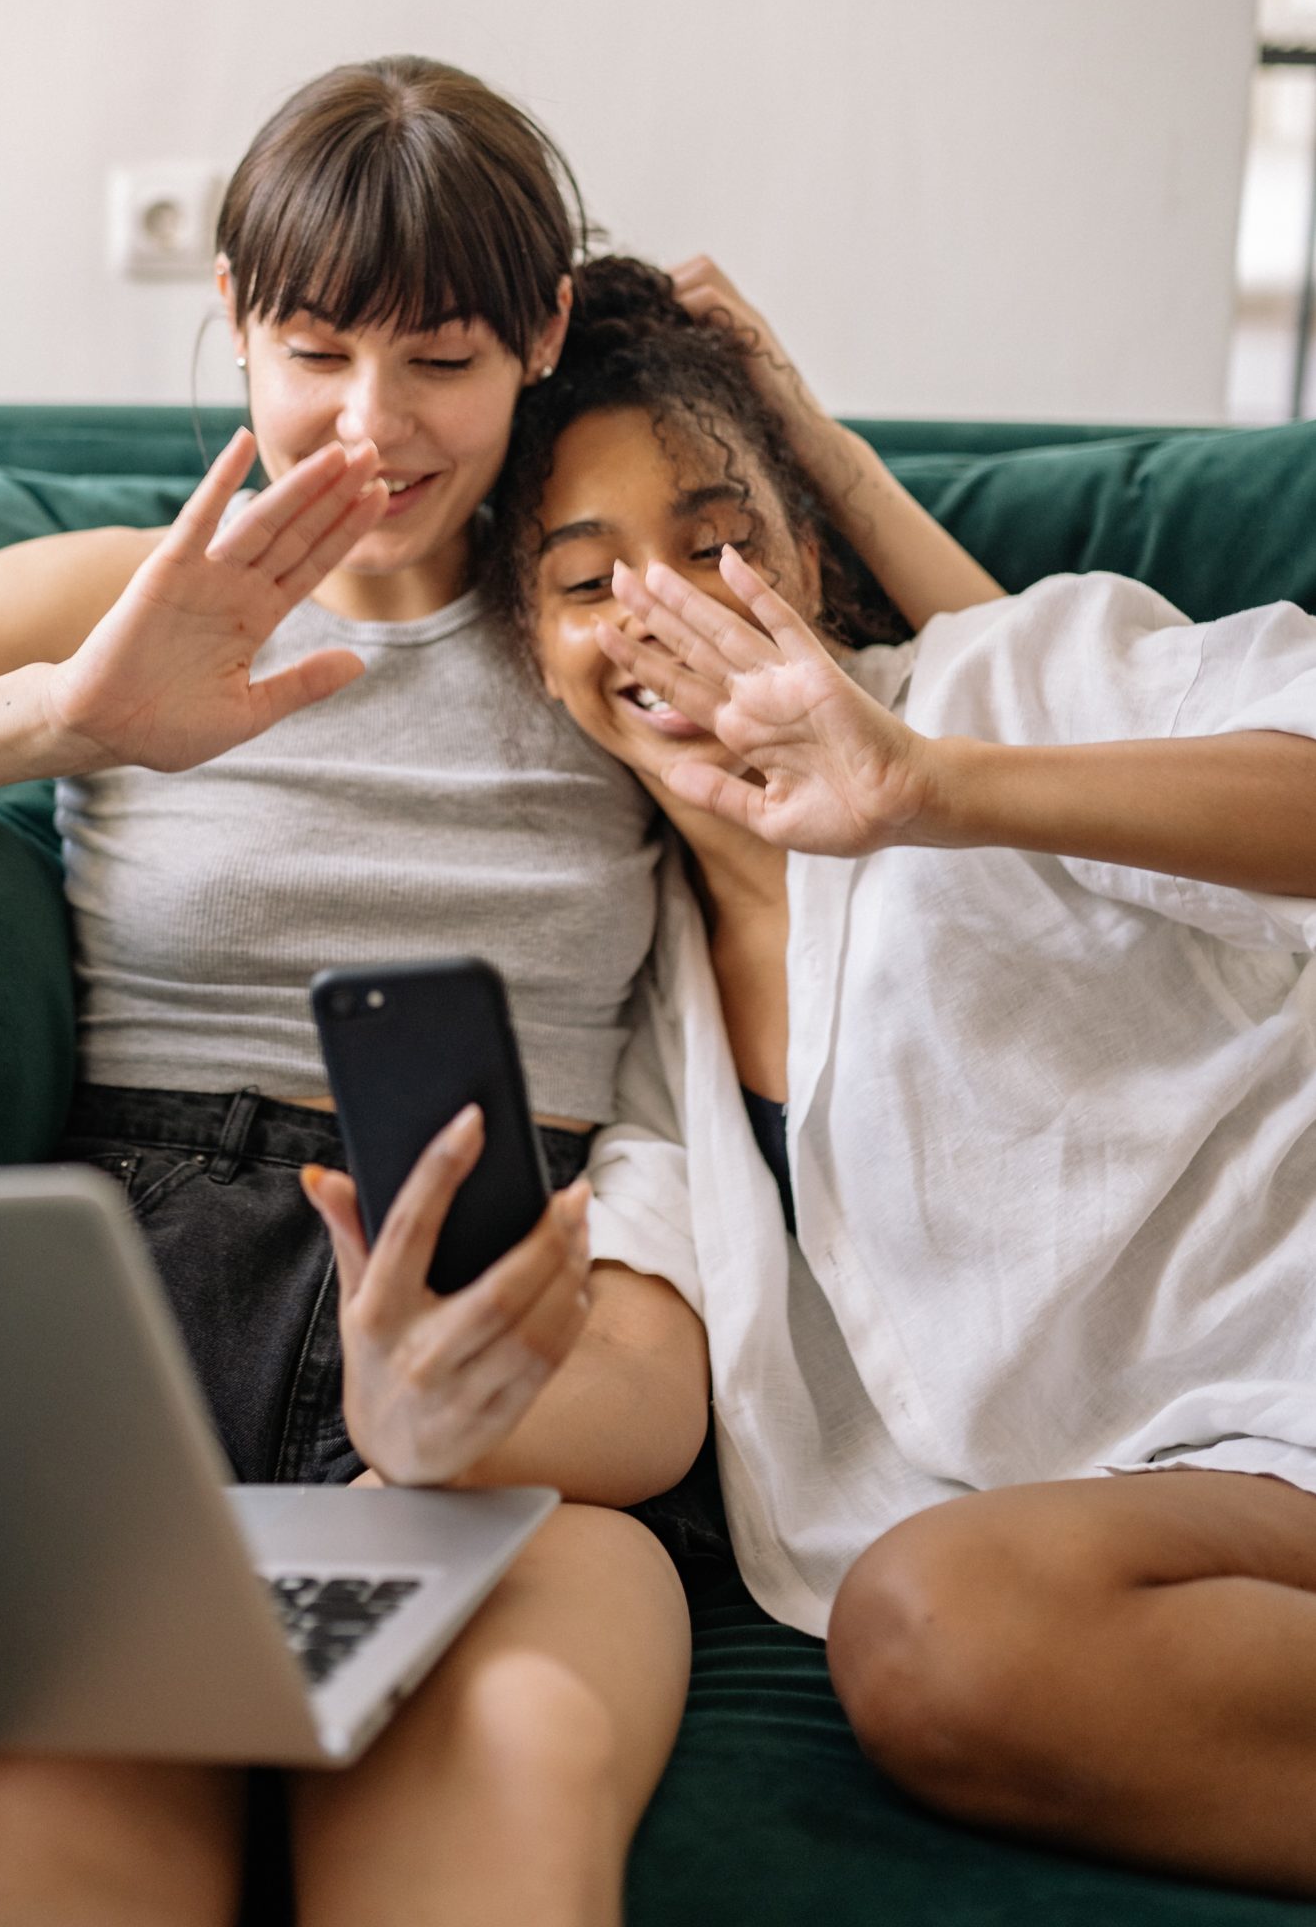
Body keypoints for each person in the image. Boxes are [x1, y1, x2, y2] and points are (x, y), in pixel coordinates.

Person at [488, 253, 1316, 1901]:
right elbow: (653, 1370)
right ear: (526, 650)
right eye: (584, 585)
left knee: (934, 1626)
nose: (667, 608)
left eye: (718, 542)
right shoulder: (641, 1012)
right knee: (940, 1636)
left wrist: (928, 789)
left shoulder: (1004, 685)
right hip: (1147, 1541)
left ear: (809, 555)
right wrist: (427, 1412)